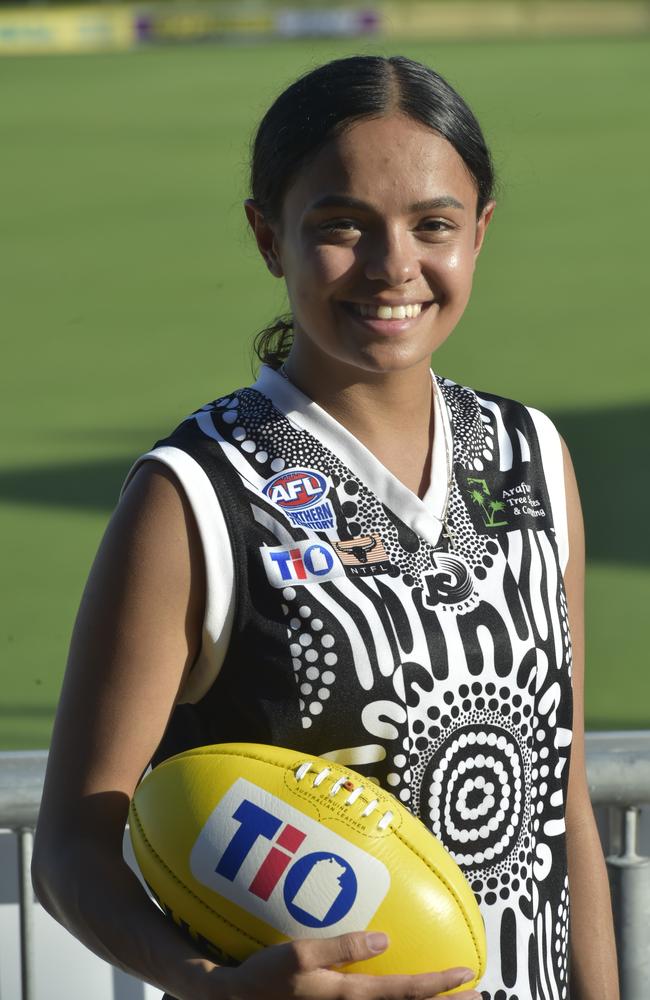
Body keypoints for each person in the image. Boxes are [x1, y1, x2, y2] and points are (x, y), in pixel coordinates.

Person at [32, 55, 619, 1000]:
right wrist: (210, 986)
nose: (395, 267)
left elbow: (564, 801)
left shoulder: (532, 454)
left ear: (481, 233)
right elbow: (68, 849)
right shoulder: (195, 494)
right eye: (343, 226)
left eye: (435, 225)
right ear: (269, 237)